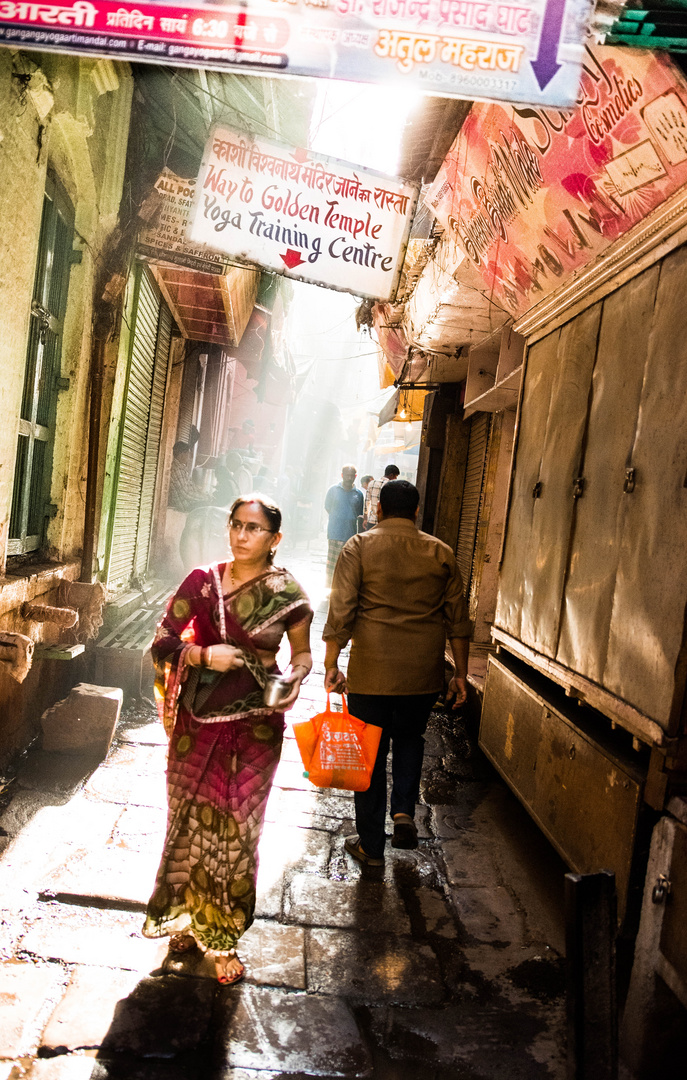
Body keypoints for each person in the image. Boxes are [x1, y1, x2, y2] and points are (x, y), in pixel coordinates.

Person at [143, 495, 313, 984]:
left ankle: (224, 937)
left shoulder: (288, 594)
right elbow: (163, 639)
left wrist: (296, 679)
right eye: (236, 525)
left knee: (239, 829)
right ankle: (184, 918)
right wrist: (202, 656)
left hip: (257, 724)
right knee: (189, 821)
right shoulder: (201, 582)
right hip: (199, 721)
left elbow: (301, 656)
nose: (242, 535)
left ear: (274, 539)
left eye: (254, 529)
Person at [322, 480, 471, 866]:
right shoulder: (440, 552)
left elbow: (342, 610)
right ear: (417, 511)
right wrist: (460, 674)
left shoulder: (359, 547)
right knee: (410, 738)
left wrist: (331, 662)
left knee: (368, 753)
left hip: (371, 671)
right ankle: (403, 811)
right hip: (421, 674)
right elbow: (458, 620)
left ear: (380, 511)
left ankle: (371, 845)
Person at [324, 464, 363, 588]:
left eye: (352, 476)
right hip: (335, 531)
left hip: (350, 533)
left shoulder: (359, 494)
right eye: (347, 475)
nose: (349, 478)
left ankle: (342, 588)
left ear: (355, 477)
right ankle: (330, 587)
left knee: (346, 563)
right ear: (342, 475)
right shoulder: (333, 490)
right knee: (332, 562)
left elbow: (359, 512)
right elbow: (327, 507)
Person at [363, 464, 399, 530]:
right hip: (384, 522)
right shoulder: (392, 486)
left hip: (371, 521)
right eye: (395, 476)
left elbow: (367, 502)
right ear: (391, 475)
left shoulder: (372, 483)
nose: (396, 479)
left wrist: (365, 519)